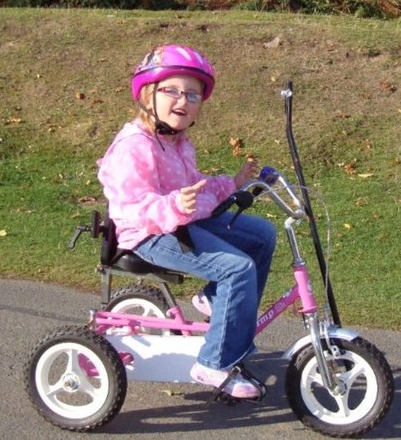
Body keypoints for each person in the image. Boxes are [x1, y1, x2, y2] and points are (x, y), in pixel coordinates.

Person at [97, 44, 277, 399]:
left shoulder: (178, 142)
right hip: (147, 234)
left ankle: (213, 301)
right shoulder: (134, 147)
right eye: (172, 91)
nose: (183, 101)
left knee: (262, 235)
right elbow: (133, 207)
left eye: (193, 95)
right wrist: (175, 205)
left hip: (178, 223)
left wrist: (234, 183)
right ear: (148, 95)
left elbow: (194, 187)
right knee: (237, 269)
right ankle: (213, 363)